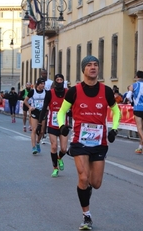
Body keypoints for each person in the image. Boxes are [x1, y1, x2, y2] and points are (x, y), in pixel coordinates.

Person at [57, 55, 120, 230]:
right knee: (83, 177)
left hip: (99, 143)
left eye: (96, 65)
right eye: (89, 65)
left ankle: (86, 190)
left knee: (96, 183)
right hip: (80, 142)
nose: (93, 67)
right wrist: (62, 126)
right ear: (83, 69)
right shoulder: (74, 91)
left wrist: (114, 129)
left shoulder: (106, 91)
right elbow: (61, 112)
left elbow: (116, 111)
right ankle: (87, 216)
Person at [37, 74, 68, 177]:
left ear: (63, 81)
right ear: (55, 81)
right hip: (52, 124)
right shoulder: (50, 93)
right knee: (54, 146)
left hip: (64, 125)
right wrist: (39, 123)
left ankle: (59, 158)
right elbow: (44, 108)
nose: (59, 81)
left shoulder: (67, 93)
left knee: (63, 149)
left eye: (61, 79)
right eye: (57, 79)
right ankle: (55, 168)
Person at [24, 78, 46, 154]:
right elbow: (25, 101)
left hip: (42, 112)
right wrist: (30, 107)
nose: (43, 85)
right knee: (34, 129)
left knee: (42, 131)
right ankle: (33, 147)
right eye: (41, 84)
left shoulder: (46, 92)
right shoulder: (32, 91)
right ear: (38, 84)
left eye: (44, 84)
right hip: (35, 112)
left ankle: (37, 142)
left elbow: (49, 101)